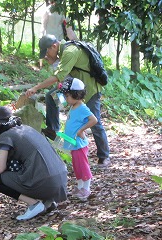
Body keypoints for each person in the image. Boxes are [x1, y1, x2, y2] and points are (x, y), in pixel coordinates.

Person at [26, 34, 111, 168]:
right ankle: (52, 130)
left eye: (47, 51)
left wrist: (36, 87)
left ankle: (104, 156)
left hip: (90, 90)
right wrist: (52, 62)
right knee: (52, 97)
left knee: (95, 121)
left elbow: (58, 76)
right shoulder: (63, 53)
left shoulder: (70, 51)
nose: (46, 55)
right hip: (74, 90)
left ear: (54, 46)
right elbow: (63, 77)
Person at [0, 106, 67, 221]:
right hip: (61, 180)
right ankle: (48, 202)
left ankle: (34, 204)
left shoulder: (6, 137)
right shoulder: (26, 129)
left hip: (45, 182)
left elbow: (0, 169)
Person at [58, 77, 97, 200]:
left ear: (76, 94)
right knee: (76, 166)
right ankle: (80, 187)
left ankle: (86, 189)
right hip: (73, 143)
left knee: (83, 166)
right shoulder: (73, 105)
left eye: (68, 96)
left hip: (79, 143)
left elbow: (94, 120)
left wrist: (81, 130)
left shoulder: (82, 107)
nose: (66, 98)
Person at [39, 0, 78, 69]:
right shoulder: (47, 10)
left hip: (59, 38)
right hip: (49, 38)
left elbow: (68, 27)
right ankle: (42, 68)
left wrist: (76, 41)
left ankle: (58, 72)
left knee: (59, 57)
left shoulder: (63, 10)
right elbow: (43, 25)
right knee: (47, 56)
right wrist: (41, 35)